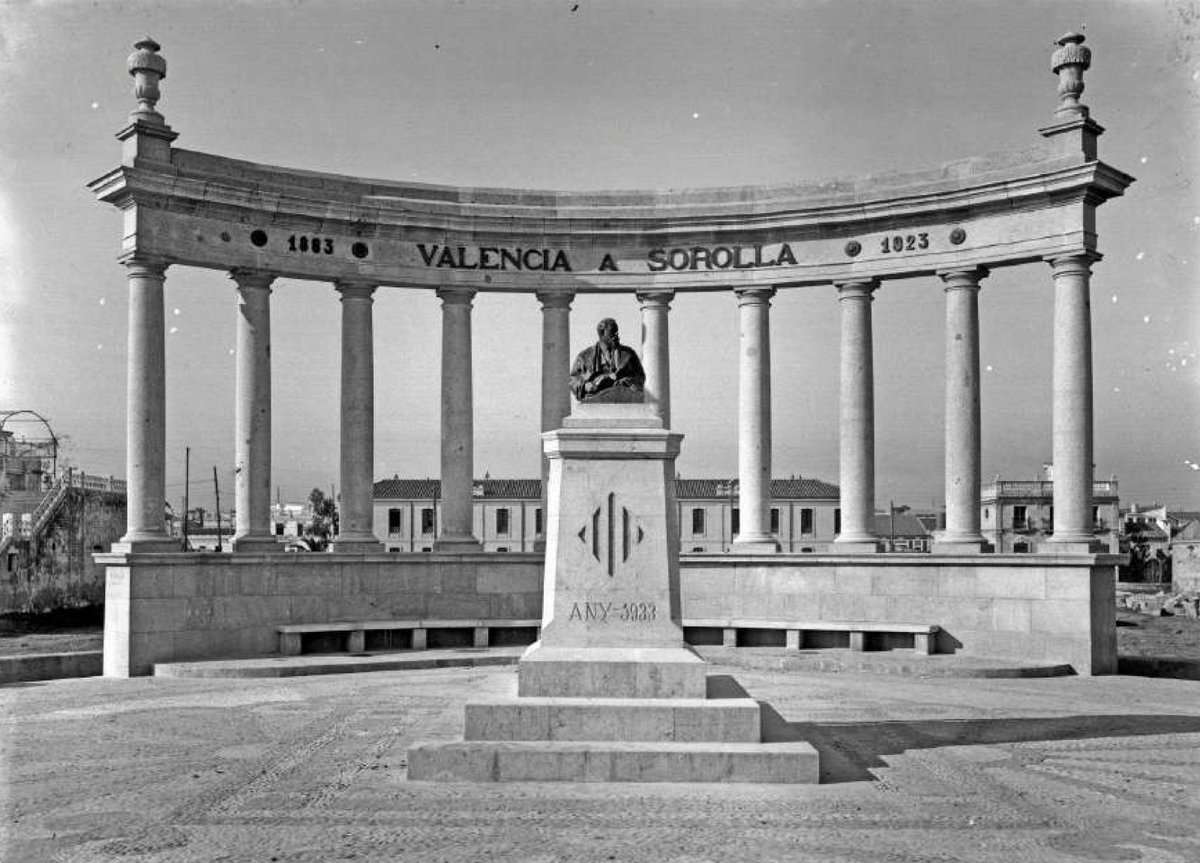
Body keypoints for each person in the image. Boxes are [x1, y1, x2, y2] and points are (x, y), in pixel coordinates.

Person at [569, 318, 645, 401]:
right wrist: (585, 386)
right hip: (595, 401)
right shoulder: (585, 356)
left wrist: (630, 383)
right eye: (612, 331)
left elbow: (640, 377)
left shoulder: (629, 354)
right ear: (602, 334)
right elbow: (572, 379)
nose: (616, 334)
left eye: (617, 331)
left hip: (623, 400)